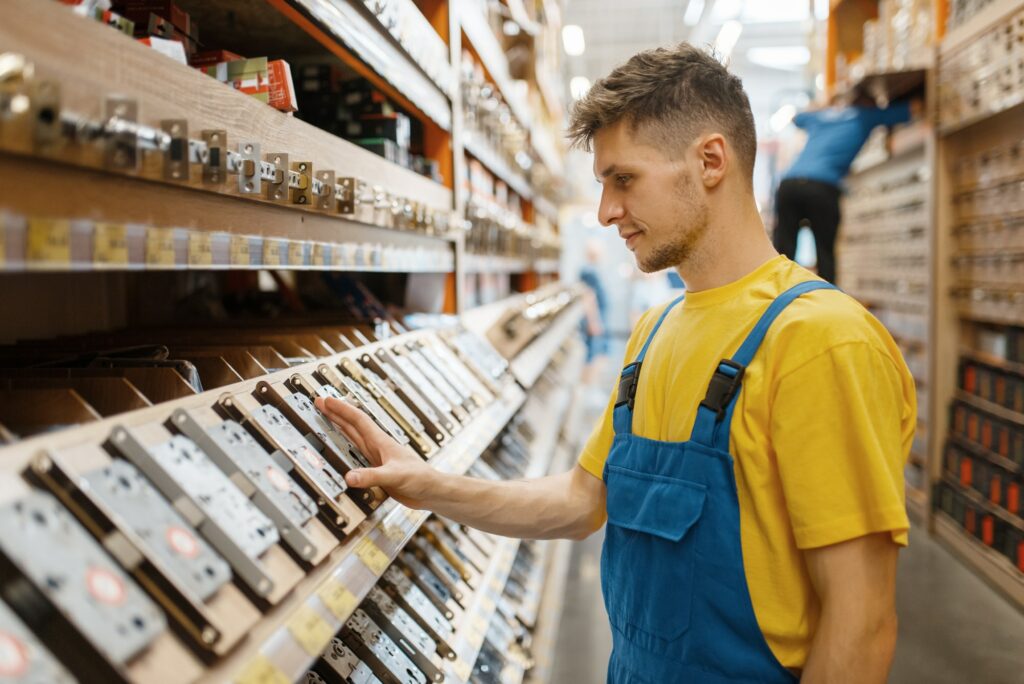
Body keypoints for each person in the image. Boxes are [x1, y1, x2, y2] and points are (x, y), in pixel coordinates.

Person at [315, 43, 915, 684]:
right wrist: (428, 484)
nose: (605, 213)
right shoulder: (654, 333)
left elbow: (861, 621)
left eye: (623, 179)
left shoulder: (820, 341)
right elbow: (581, 500)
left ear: (710, 160)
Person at [773, 94, 916, 283]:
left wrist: (827, 106)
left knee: (783, 252)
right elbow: (911, 109)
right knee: (825, 253)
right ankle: (826, 306)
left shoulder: (823, 116)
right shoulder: (865, 116)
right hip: (821, 187)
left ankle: (776, 301)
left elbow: (796, 118)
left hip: (789, 185)